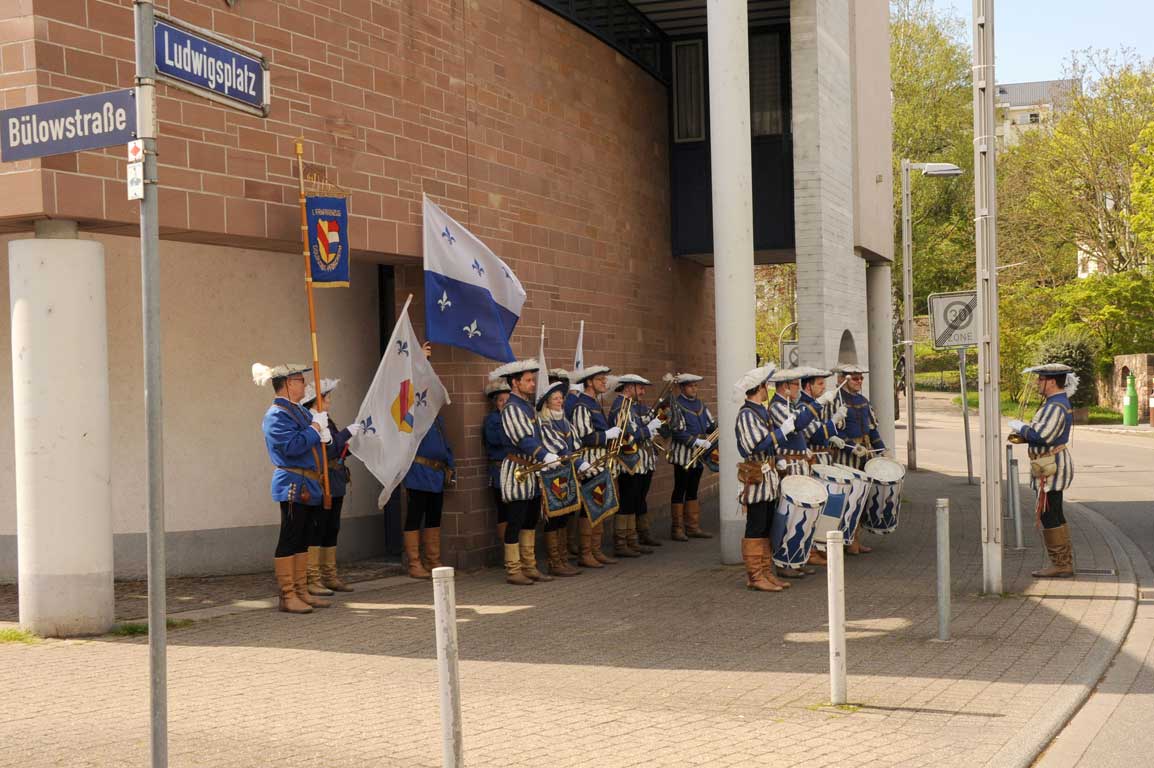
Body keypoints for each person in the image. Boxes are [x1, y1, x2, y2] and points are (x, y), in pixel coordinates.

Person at [253, 362, 331, 614]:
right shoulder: (277, 415)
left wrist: (322, 432)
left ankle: (301, 590)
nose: (305, 385)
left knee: (304, 538)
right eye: (300, 380)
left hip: (307, 482)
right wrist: (315, 428)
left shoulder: (298, 412)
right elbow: (291, 446)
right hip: (293, 483)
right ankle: (287, 595)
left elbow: (311, 440)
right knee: (290, 537)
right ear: (288, 384)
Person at [1008, 363, 1077, 578]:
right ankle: (1063, 562)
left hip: (1051, 465)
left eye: (1041, 379)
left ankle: (1061, 564)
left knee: (1049, 513)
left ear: (1051, 381)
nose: (1038, 383)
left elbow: (1042, 436)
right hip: (1049, 463)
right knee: (1054, 512)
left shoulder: (1055, 406)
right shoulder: (1055, 403)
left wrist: (1021, 427)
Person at [734, 364, 795, 592]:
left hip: (769, 479)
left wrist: (778, 457)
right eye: (765, 386)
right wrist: (782, 432)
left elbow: (770, 443)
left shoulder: (762, 411)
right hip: (757, 479)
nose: (767, 389)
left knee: (768, 525)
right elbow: (755, 445)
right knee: (756, 526)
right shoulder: (747, 414)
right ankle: (755, 575)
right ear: (758, 388)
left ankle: (766, 571)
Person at [493, 357, 553, 586]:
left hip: (532, 469)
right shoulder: (511, 408)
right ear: (515, 383)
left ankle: (529, 566)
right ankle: (513, 569)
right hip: (517, 469)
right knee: (515, 520)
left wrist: (549, 454)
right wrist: (544, 455)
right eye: (528, 380)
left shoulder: (527, 406)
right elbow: (523, 439)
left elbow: (538, 436)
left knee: (530, 520)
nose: (532, 384)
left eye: (532, 380)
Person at [301, 378, 364, 596]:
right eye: (326, 398)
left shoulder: (327, 419)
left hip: (335, 480)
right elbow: (327, 450)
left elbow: (338, 448)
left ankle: (329, 575)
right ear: (316, 401)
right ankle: (313, 578)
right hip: (322, 481)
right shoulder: (313, 422)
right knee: (318, 529)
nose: (329, 402)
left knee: (331, 529)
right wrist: (346, 433)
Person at [401, 343, 455, 580]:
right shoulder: (413, 410)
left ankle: (433, 560)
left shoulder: (436, 418)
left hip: (436, 473)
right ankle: (414, 563)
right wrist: (421, 364)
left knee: (434, 516)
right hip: (418, 471)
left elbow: (445, 444)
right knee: (415, 515)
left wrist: (450, 465)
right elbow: (410, 390)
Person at [569, 365, 624, 565]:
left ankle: (595, 549)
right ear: (589, 382)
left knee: (598, 505)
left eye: (605, 379)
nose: (605, 382)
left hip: (601, 462)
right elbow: (583, 436)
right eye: (600, 379)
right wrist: (606, 435)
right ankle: (585, 553)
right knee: (589, 506)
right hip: (590, 462)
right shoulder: (582, 405)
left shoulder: (593, 402)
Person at [537, 379, 592, 575]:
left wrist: (581, 462)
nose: (560, 401)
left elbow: (575, 445)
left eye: (561, 398)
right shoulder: (544, 422)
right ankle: (554, 562)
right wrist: (579, 462)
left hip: (569, 473)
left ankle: (562, 558)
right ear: (547, 402)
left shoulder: (566, 420)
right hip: (553, 476)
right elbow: (558, 447)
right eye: (555, 398)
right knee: (555, 516)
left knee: (566, 515)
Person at [609, 374, 664, 556]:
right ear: (628, 388)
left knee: (636, 499)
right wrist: (647, 430)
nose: (642, 391)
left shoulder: (630, 406)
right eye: (639, 388)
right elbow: (627, 436)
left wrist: (649, 423)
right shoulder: (621, 406)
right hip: (628, 461)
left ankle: (632, 539)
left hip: (640, 461)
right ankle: (621, 543)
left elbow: (636, 426)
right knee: (627, 501)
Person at [837, 364, 884, 555]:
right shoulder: (836, 401)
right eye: (855, 378)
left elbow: (872, 429)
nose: (859, 381)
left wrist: (881, 450)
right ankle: (844, 539)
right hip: (846, 457)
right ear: (843, 380)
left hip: (866, 455)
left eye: (860, 378)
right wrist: (851, 446)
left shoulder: (864, 401)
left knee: (862, 498)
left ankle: (855, 537)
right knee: (848, 498)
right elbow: (836, 430)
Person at [668, 373, 717, 541]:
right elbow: (676, 431)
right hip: (683, 454)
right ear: (682, 387)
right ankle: (677, 528)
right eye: (690, 386)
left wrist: (717, 428)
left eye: (695, 386)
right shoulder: (676, 404)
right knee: (680, 488)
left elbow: (710, 425)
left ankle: (693, 526)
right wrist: (695, 441)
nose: (694, 389)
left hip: (699, 455)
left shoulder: (700, 404)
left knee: (693, 490)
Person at [796, 367, 847, 467]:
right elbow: (815, 437)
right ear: (808, 386)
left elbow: (819, 429)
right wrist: (834, 420)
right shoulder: (802, 406)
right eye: (820, 384)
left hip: (822, 460)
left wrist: (831, 437)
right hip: (813, 461)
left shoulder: (814, 403)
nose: (823, 387)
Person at [483, 379, 512, 544]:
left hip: (514, 470)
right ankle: (507, 549)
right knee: (503, 509)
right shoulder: (492, 420)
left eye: (507, 400)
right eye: (501, 400)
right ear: (495, 403)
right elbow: (494, 439)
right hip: (500, 471)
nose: (504, 403)